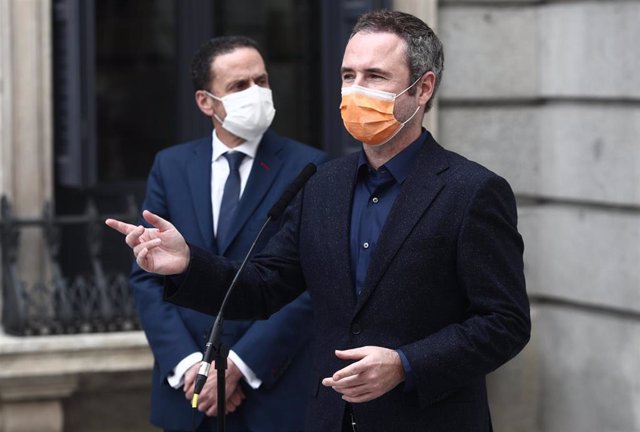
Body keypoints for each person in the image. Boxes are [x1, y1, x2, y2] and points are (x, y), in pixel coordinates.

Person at [109, 10, 530, 432]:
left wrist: (405, 364)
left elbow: (505, 323)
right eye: (348, 76)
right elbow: (263, 287)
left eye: (375, 76)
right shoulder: (321, 184)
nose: (355, 90)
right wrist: (187, 263)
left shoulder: (471, 190)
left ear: (422, 89)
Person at [128, 35, 327, 432]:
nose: (256, 93)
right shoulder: (171, 166)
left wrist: (240, 364)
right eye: (239, 86)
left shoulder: (310, 167)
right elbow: (148, 278)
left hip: (273, 391)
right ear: (206, 102)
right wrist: (191, 367)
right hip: (187, 399)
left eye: (262, 81)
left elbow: (311, 281)